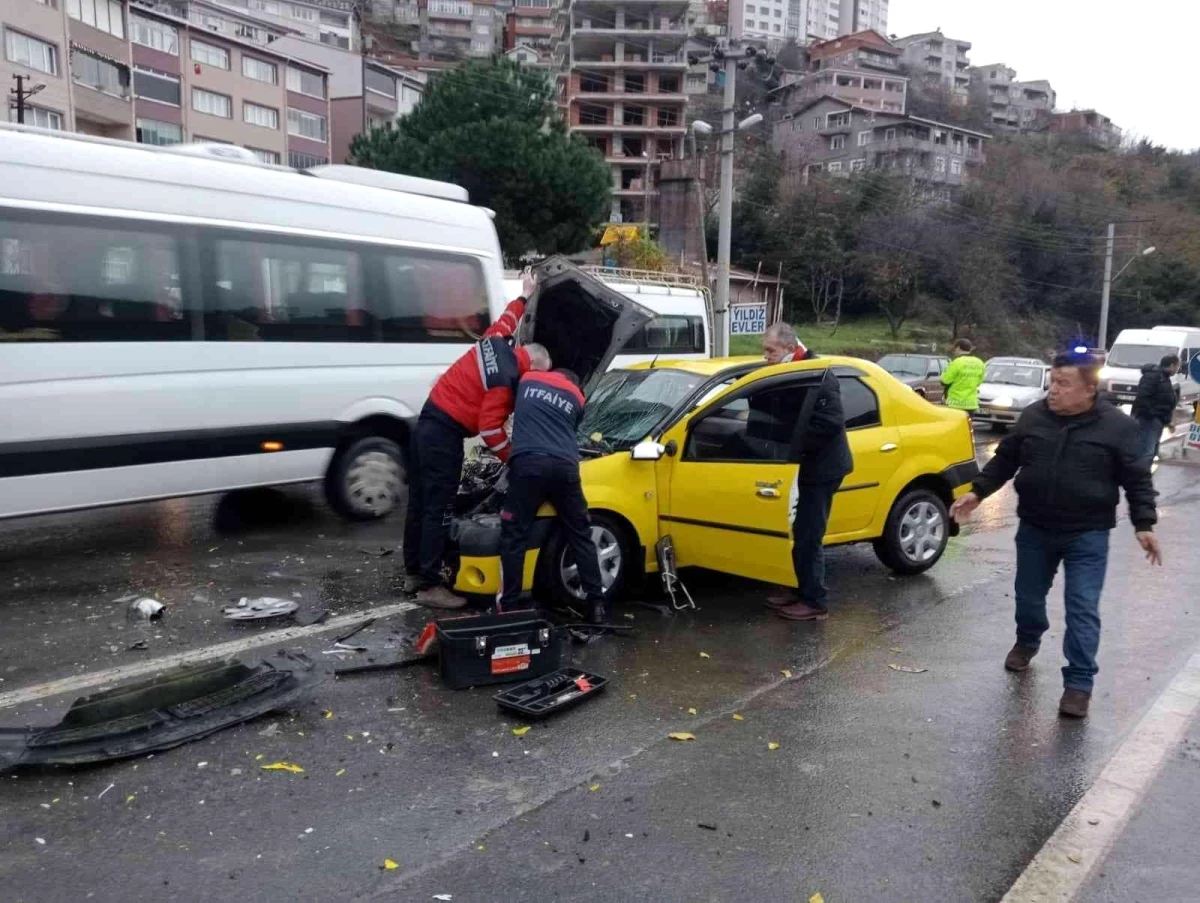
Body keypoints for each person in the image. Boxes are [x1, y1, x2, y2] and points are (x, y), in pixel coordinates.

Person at [949, 352, 1161, 719]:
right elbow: (1005, 459)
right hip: (1035, 528)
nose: (1053, 390)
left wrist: (1144, 524)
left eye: (1063, 383)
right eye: (1052, 381)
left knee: (1082, 608)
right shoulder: (1033, 416)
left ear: (1089, 389)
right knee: (1028, 599)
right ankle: (1028, 640)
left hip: (1088, 534)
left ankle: (1079, 684)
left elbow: (1138, 479)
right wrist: (978, 491)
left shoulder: (1116, 427)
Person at [403, 270, 552, 609]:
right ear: (537, 370)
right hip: (444, 434)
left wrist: (525, 294)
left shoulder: (495, 341)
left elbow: (506, 320)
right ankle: (430, 585)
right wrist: (513, 458)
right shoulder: (507, 380)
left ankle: (414, 571)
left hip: (427, 422)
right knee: (439, 508)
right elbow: (490, 429)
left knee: (420, 503)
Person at [497, 367, 606, 628]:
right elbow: (567, 430)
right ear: (573, 381)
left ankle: (509, 606)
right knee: (580, 534)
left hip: (528, 466)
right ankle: (597, 606)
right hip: (565, 469)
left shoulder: (527, 378)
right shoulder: (578, 398)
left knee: (514, 535)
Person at [760, 324, 854, 621]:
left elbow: (829, 424)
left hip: (822, 467)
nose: (766, 357)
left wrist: (791, 446)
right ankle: (799, 588)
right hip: (800, 465)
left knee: (808, 533)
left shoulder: (819, 374)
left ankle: (815, 601)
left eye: (770, 351)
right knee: (796, 529)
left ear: (789, 349)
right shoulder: (791, 369)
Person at [1131, 354, 1179, 463]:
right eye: (1177, 366)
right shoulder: (1154, 376)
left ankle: (1143, 476)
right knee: (1146, 452)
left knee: (1150, 452)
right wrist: (1153, 415)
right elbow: (1142, 397)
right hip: (1149, 421)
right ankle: (1139, 476)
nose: (1177, 369)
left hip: (1157, 420)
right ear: (1172, 365)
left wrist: (1167, 420)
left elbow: (1163, 400)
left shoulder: (1164, 377)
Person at [941, 338, 985, 412]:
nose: (954, 351)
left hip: (955, 404)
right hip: (971, 404)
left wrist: (944, 373)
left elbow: (945, 381)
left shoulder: (956, 362)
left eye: (954, 349)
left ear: (958, 348)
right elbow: (979, 382)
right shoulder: (980, 362)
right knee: (967, 424)